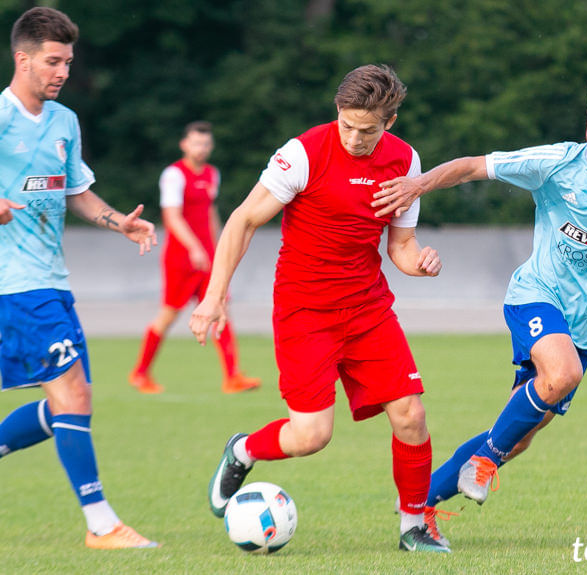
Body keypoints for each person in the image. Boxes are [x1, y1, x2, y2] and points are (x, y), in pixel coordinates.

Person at [373, 68, 587, 547]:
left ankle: (420, 503)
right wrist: (417, 186)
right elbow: (474, 166)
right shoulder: (559, 161)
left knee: (520, 433)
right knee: (561, 376)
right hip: (535, 295)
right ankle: (483, 463)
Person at [189, 64, 450, 553]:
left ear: (389, 122)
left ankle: (414, 526)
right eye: (347, 124)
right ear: (337, 111)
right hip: (305, 310)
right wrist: (213, 297)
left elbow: (402, 247)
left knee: (411, 414)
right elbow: (244, 221)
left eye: (367, 130)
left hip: (368, 307)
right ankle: (244, 449)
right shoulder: (302, 153)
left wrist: (422, 263)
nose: (354, 137)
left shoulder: (405, 161)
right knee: (310, 436)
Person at [0, 7, 158, 549]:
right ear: (23, 59)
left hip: (53, 283)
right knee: (74, 396)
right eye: (53, 61)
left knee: (68, 403)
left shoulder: (64, 121)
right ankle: (101, 525)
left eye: (68, 62)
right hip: (16, 286)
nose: (62, 71)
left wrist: (117, 223)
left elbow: (75, 190)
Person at [129, 121, 260, 394]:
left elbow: (210, 212)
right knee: (168, 316)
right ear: (184, 145)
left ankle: (232, 376)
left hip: (208, 257)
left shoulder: (212, 174)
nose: (202, 149)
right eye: (196, 143)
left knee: (221, 308)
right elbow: (172, 218)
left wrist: (220, 245)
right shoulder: (173, 175)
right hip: (181, 258)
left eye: (206, 144)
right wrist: (194, 248)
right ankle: (140, 373)